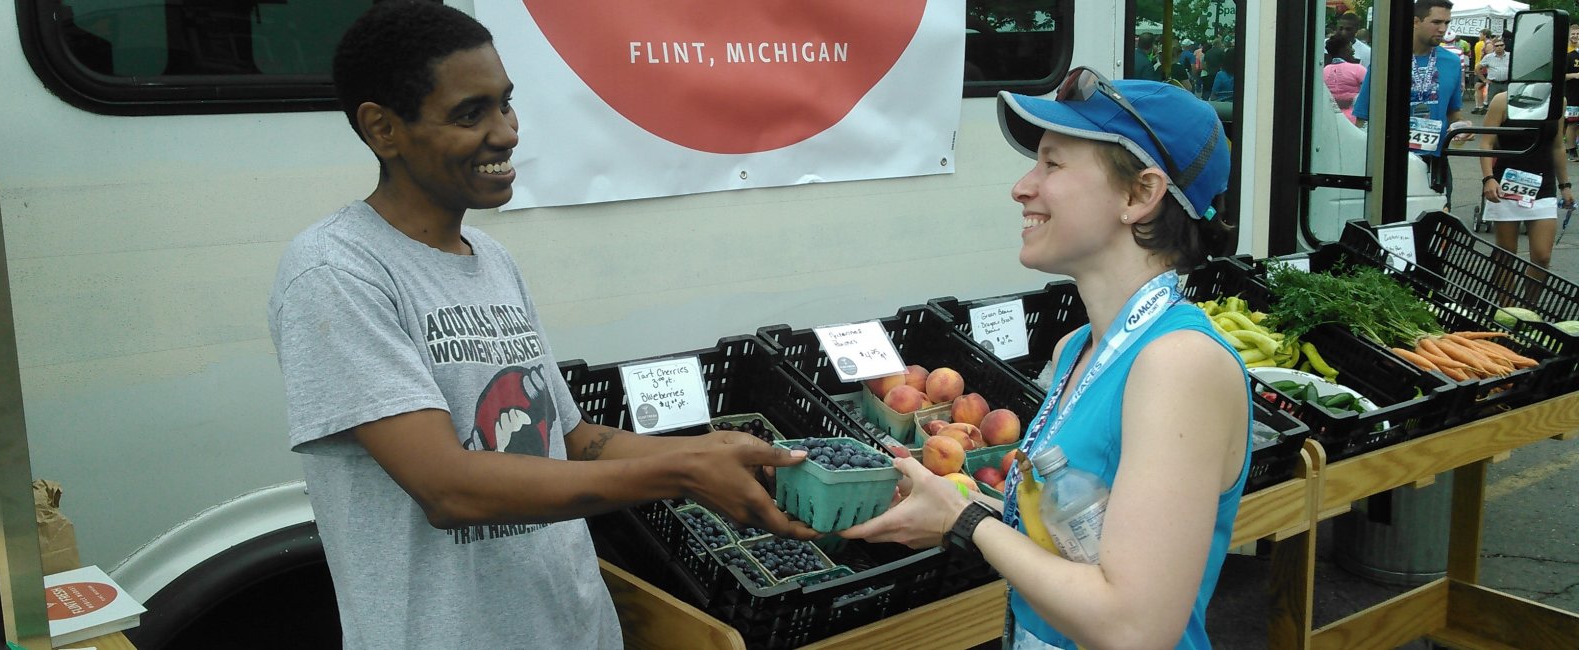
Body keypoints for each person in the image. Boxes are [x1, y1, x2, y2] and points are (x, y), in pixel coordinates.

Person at [266, 2, 814, 647]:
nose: (506, 133)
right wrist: (681, 473)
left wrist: (711, 448)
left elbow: (572, 442)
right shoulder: (336, 273)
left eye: (505, 104)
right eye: (470, 114)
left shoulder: (492, 261)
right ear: (383, 129)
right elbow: (448, 490)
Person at [841, 69, 1250, 650]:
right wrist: (950, 499)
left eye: (1053, 165)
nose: (1022, 187)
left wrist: (967, 524)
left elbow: (1135, 628)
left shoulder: (1178, 365)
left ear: (1140, 195)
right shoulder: (1076, 349)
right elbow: (1070, 538)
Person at [1353, 0, 1465, 196]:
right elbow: (1363, 115)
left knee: (1433, 220)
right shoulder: (1388, 57)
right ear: (1415, 21)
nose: (1443, 29)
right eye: (1436, 22)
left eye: (1447, 23)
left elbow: (1453, 111)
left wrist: (1462, 128)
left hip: (1434, 159)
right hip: (1391, 160)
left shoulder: (1452, 62)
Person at [1478, 86, 1573, 272]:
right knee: (1506, 254)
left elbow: (1557, 146)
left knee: (1542, 256)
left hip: (1543, 184)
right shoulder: (1502, 100)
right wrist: (1488, 178)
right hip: (1506, 183)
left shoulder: (1557, 101)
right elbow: (1487, 142)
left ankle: (1529, 302)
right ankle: (1505, 302)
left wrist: (1565, 185)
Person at [1325, 35, 1367, 124]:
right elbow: (1369, 93)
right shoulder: (1358, 69)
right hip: (1354, 121)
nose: (1353, 50)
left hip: (1329, 119)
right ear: (1343, 50)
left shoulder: (1324, 71)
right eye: (1350, 47)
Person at [1479, 38, 1510, 115]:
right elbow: (1477, 68)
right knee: (1492, 104)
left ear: (1504, 46)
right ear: (1494, 47)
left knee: (1507, 103)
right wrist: (1484, 80)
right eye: (1497, 46)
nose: (1499, 47)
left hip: (1506, 83)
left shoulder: (1510, 55)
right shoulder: (1488, 57)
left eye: (1501, 45)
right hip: (1493, 84)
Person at [1565, 25, 1579, 160]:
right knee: (1572, 123)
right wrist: (1575, 75)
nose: (1575, 36)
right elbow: (1560, 76)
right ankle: (1571, 150)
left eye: (1578, 34)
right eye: (1573, 33)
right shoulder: (1569, 56)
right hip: (1572, 95)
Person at [1472, 28, 1493, 113]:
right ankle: (1479, 106)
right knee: (1478, 87)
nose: (1479, 36)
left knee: (1480, 87)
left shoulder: (1489, 45)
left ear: (1484, 35)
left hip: (1485, 70)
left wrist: (1483, 67)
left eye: (1480, 34)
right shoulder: (1485, 44)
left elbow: (1490, 58)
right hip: (1481, 69)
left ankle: (1483, 106)